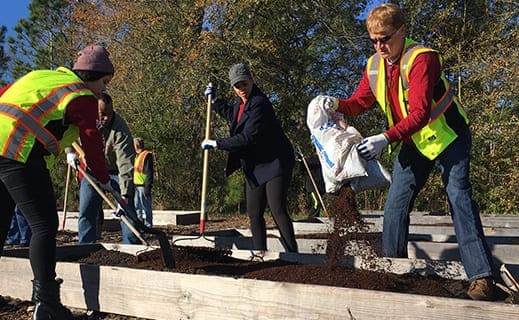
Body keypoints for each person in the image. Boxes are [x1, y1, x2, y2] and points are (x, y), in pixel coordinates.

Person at [317, 3, 496, 300]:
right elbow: (359, 102)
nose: (379, 45)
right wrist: (333, 104)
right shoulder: (375, 64)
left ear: (402, 31)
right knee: (395, 205)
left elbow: (421, 114)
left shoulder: (421, 59)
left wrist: (385, 138)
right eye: (373, 40)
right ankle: (392, 270)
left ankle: (482, 278)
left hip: (448, 137)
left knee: (458, 196)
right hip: (414, 143)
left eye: (385, 38)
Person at [0, 44, 117, 319]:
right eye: (104, 83)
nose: (102, 91)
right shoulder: (82, 95)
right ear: (94, 76)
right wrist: (104, 179)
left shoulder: (40, 75)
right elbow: (93, 142)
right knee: (44, 225)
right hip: (14, 148)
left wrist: (52, 132)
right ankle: (47, 304)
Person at [202, 63, 298, 258]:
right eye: (237, 86)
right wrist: (215, 101)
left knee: (276, 208)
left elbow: (247, 137)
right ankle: (260, 254)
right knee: (254, 212)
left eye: (244, 84)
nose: (241, 89)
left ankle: (293, 255)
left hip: (275, 162)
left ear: (252, 80)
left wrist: (217, 143)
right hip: (255, 166)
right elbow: (234, 118)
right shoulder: (241, 102)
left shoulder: (260, 103)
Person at [76, 92, 141, 244]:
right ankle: (85, 247)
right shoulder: (85, 121)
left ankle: (132, 247)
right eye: (102, 114)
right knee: (86, 210)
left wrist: (124, 194)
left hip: (115, 172)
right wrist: (69, 153)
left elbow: (125, 161)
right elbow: (68, 134)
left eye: (109, 113)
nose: (106, 118)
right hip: (92, 172)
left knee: (127, 209)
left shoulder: (119, 127)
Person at [133, 137, 154, 228]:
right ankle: (140, 224)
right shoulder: (136, 156)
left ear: (136, 145)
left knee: (146, 207)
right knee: (137, 206)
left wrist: (147, 186)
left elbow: (149, 172)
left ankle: (148, 225)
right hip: (136, 185)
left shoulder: (146, 155)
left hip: (143, 185)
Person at [298, 154, 325, 222]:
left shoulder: (324, 160)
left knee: (320, 203)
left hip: (320, 186)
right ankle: (312, 217)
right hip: (312, 186)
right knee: (317, 202)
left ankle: (316, 218)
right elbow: (301, 171)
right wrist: (301, 161)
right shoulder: (309, 160)